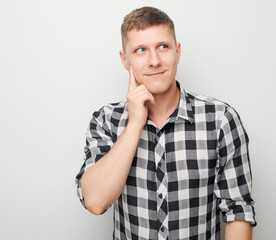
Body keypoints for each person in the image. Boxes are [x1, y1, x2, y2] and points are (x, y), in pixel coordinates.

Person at [76, 6, 256, 240]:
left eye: (163, 47)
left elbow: (237, 211)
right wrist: (134, 126)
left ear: (177, 51)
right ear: (125, 59)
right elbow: (95, 202)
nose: (154, 61)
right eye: (141, 50)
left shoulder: (220, 119)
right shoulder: (106, 120)